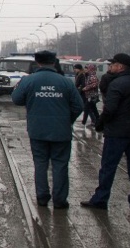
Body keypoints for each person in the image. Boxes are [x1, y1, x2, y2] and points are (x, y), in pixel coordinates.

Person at [11, 50, 83, 209]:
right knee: (60, 164)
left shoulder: (28, 80)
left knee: (40, 163)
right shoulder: (65, 82)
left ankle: (42, 197)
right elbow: (79, 106)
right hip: (61, 131)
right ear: (53, 62)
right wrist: (67, 120)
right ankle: (60, 200)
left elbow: (16, 99)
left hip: (37, 130)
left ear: (37, 62)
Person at [81, 53, 130, 211]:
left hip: (116, 132)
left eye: (112, 65)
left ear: (120, 67)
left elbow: (109, 109)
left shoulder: (116, 84)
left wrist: (100, 123)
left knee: (108, 166)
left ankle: (100, 199)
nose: (110, 67)